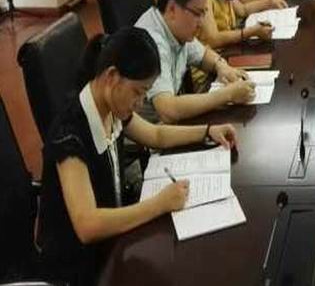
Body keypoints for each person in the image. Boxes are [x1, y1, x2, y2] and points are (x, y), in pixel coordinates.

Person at [37, 27, 238, 285]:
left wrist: (208, 131)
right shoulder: (70, 133)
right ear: (112, 76)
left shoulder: (110, 106)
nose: (141, 102)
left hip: (113, 243)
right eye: (138, 92)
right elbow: (87, 225)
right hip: (78, 267)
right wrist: (160, 204)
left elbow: (156, 135)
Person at [135, 0, 255, 123]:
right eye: (198, 13)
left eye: (204, 13)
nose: (202, 23)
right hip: (153, 132)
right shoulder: (153, 42)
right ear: (172, 9)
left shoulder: (176, 26)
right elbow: (168, 110)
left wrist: (222, 66)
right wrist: (228, 95)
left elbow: (203, 55)